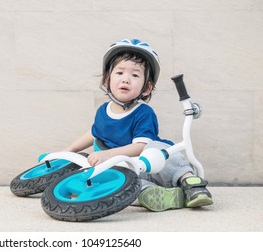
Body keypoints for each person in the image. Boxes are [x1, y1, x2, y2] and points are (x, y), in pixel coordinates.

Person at [63, 38, 213, 211]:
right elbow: (94, 133)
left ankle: (190, 183)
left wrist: (108, 155)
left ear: (147, 88)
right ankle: (153, 194)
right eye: (120, 73)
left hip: (154, 166)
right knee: (111, 182)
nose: (126, 79)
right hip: (129, 170)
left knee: (157, 148)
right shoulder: (103, 111)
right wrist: (70, 150)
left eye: (135, 75)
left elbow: (140, 146)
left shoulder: (143, 113)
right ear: (107, 80)